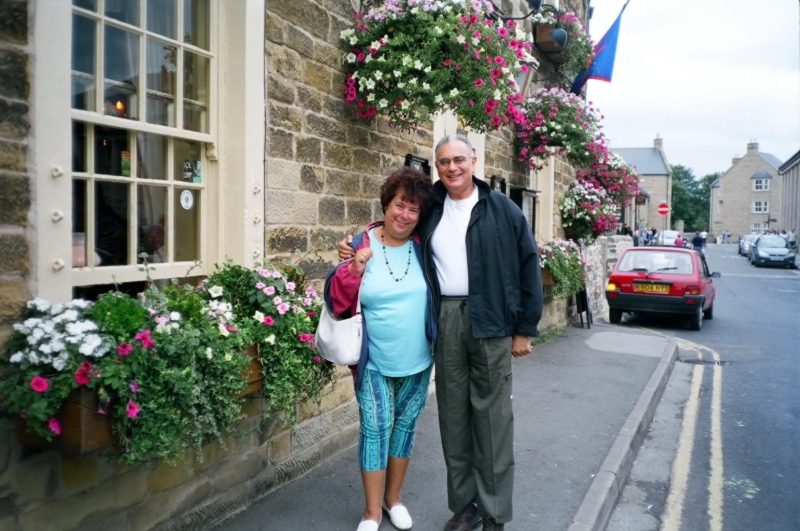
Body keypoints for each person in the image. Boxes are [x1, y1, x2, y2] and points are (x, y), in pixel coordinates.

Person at [340, 134, 543, 531]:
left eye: (459, 160)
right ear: (437, 167)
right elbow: (394, 224)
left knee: (493, 418)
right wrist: (354, 244)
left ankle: (495, 512)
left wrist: (524, 329)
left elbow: (528, 264)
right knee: (453, 418)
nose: (452, 168)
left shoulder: (501, 208)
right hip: (445, 318)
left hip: (492, 320)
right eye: (444, 162)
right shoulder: (430, 206)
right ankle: (465, 505)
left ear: (474, 161)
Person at [325, 168, 437, 531]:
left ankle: (394, 500)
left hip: (418, 361)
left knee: (404, 427)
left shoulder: (425, 246)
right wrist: (353, 268)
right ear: (386, 204)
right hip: (374, 362)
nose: (404, 215)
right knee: (375, 429)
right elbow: (338, 301)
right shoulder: (361, 243)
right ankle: (372, 512)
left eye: (413, 210)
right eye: (400, 205)